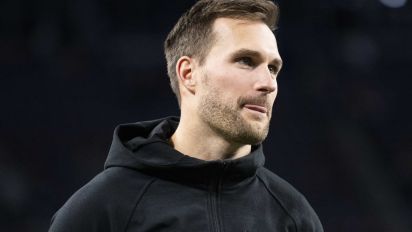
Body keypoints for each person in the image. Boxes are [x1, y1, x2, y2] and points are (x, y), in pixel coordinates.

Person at [49, 0, 323, 231]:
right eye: (246, 61)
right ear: (188, 74)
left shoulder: (294, 216)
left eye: (273, 68)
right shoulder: (102, 211)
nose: (269, 83)